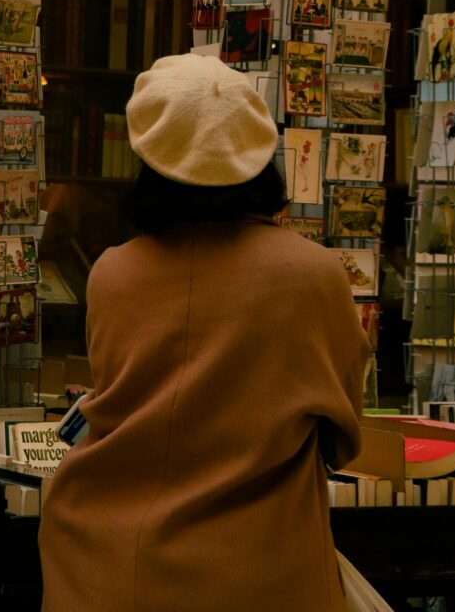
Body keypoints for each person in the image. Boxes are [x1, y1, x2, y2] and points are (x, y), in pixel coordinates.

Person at [39, 52, 369, 612]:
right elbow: (342, 437)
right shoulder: (316, 276)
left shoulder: (112, 274)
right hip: (264, 571)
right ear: (261, 158)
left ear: (149, 160)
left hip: (107, 566)